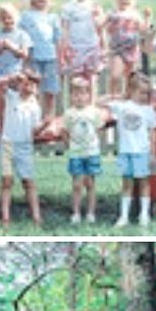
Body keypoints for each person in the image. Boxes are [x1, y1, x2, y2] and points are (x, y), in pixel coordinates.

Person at [98, 73, 156, 227]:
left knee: (144, 183)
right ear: (131, 90)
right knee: (127, 184)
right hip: (125, 152)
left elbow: (153, 133)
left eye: (147, 93)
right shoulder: (122, 107)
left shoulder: (148, 110)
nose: (144, 96)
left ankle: (144, 214)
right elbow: (99, 101)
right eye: (141, 92)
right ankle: (124, 215)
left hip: (142, 152)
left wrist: (152, 153)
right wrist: (120, 96)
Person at [0, 70, 50, 227]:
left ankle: (36, 216)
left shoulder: (35, 107)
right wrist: (14, 77)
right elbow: (0, 84)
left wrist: (43, 126)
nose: (27, 87)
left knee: (28, 181)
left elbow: (34, 131)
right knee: (7, 180)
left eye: (32, 84)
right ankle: (5, 217)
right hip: (8, 143)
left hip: (25, 146)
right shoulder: (12, 97)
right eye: (25, 83)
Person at [60, 76, 108, 224]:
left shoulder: (93, 112)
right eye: (75, 94)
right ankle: (76, 212)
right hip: (76, 153)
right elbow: (64, 131)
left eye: (83, 94)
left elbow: (100, 129)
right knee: (77, 184)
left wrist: (94, 144)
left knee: (90, 183)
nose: (79, 97)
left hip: (91, 152)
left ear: (88, 95)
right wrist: (69, 145)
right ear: (71, 96)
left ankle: (90, 213)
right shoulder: (69, 113)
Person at [19, 0, 62, 117]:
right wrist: (24, 61)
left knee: (50, 90)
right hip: (33, 58)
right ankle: (34, 117)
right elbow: (21, 38)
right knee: (33, 90)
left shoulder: (53, 17)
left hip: (50, 58)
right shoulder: (25, 16)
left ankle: (49, 117)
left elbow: (57, 39)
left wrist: (60, 59)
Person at [104, 0, 152, 97]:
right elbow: (105, 27)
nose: (124, 1)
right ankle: (113, 95)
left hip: (132, 49)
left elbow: (143, 30)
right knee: (115, 75)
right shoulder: (112, 13)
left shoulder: (135, 15)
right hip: (117, 50)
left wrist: (147, 18)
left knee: (129, 76)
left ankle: (127, 96)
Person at [59, 0, 105, 86]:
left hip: (92, 46)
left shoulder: (96, 6)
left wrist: (103, 44)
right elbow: (65, 28)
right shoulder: (69, 7)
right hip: (74, 46)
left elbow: (101, 28)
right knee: (75, 78)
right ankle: (75, 101)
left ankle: (91, 102)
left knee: (92, 77)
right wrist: (63, 46)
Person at [0, 2, 32, 114]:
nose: (7, 21)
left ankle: (15, 123)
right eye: (4, 18)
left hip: (15, 71)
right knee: (0, 99)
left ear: (16, 18)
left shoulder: (22, 35)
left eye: (10, 18)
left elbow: (25, 54)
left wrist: (11, 47)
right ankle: (2, 124)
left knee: (15, 99)